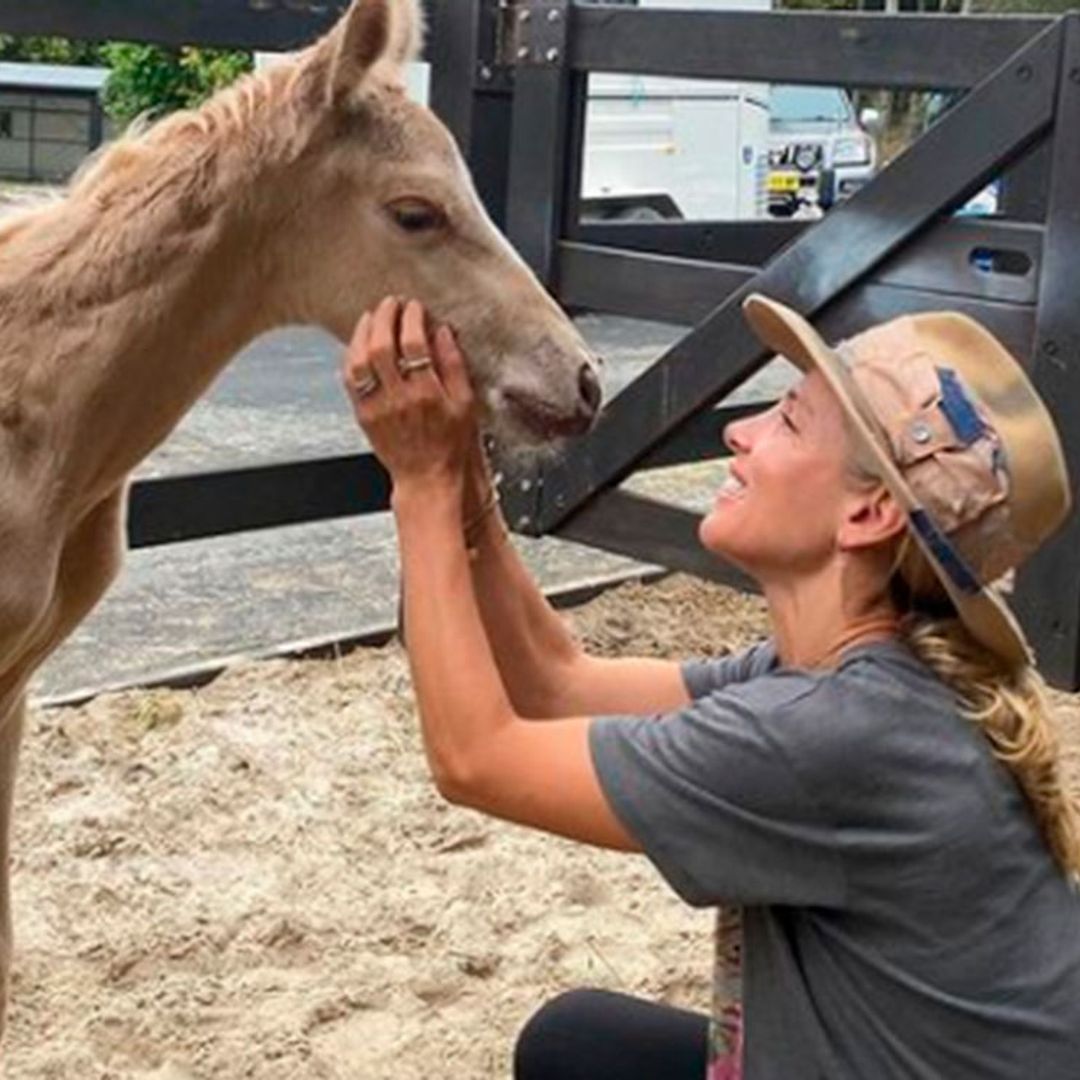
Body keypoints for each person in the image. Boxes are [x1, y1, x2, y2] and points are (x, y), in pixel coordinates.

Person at [341, 293, 1080, 1079]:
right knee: (577, 1043)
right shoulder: (851, 679)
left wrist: (418, 486)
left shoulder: (834, 735)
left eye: (789, 422)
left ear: (867, 515)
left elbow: (475, 757)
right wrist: (460, 476)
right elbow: (555, 685)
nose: (741, 431)